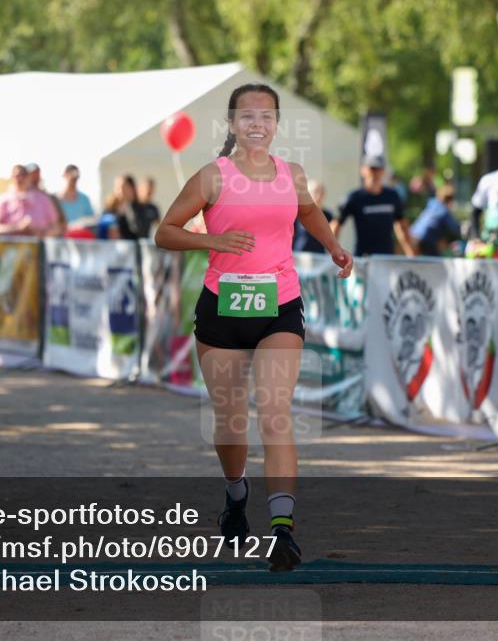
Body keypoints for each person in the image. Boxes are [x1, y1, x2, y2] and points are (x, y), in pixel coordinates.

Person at [154, 83, 352, 572]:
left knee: (275, 411)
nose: (257, 124)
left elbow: (309, 211)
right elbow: (165, 232)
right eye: (247, 116)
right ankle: (235, 493)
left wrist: (332, 246)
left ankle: (282, 530)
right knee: (230, 419)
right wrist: (213, 240)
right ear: (232, 123)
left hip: (278, 306)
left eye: (266, 116)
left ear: (277, 124)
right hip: (222, 309)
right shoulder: (212, 177)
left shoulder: (292, 174)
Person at [331, 155, 415, 257]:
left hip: (387, 257)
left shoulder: (392, 196)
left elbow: (401, 226)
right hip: (364, 258)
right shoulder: (354, 197)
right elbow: (335, 226)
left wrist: (411, 254)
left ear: (383, 171)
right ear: (363, 170)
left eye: (379, 169)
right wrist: (334, 253)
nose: (376, 173)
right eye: (372, 168)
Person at [0, 164, 64, 237]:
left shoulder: (43, 199)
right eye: (17, 176)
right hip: (9, 245)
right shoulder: (3, 200)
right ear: (12, 177)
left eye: (23, 175)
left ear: (29, 177)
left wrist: (40, 233)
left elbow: (56, 228)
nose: (20, 179)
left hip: (37, 245)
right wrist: (17, 227)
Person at [409, 184, 461, 256]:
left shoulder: (431, 204)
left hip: (413, 234)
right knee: (436, 259)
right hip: (427, 238)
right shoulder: (443, 211)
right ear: (450, 200)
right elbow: (455, 229)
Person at [292, 179, 334, 253]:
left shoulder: (328, 215)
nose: (318, 196)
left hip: (319, 256)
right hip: (298, 255)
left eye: (320, 192)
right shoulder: (297, 213)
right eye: (314, 192)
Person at [26, 162, 67, 235]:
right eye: (32, 174)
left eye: (37, 173)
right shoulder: (17, 198)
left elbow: (61, 224)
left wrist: (44, 234)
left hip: (46, 239)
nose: (34, 177)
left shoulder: (50, 198)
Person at [58, 165, 96, 231]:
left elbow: (92, 219)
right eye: (70, 174)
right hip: (62, 236)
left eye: (75, 176)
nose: (73, 179)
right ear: (64, 175)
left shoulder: (84, 199)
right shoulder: (56, 200)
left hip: (81, 235)